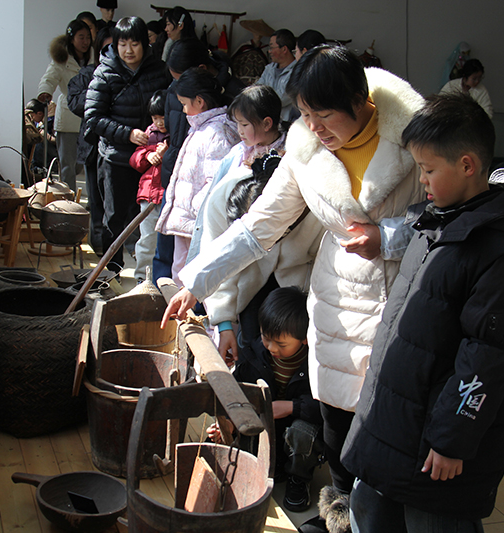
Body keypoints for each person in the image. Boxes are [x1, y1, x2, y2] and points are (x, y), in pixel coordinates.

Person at [162, 46, 426, 530]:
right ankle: (342, 514)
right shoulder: (306, 150)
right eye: (304, 114)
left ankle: (378, 517)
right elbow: (257, 228)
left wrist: (387, 237)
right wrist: (196, 282)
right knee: (337, 421)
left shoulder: (414, 136)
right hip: (336, 297)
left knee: (390, 425)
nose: (314, 127)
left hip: (404, 297)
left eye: (323, 114)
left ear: (361, 101)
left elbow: (441, 217)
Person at [342, 92, 504, 533]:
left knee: (432, 520)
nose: (422, 181)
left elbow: (486, 361)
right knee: (372, 508)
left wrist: (451, 440)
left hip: (438, 443)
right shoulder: (438, 223)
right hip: (400, 419)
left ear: (468, 165)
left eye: (429, 169)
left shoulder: (502, 257)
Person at [187, 86, 321, 364]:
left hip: (299, 290)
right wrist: (223, 322)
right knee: (253, 346)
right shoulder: (222, 197)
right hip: (249, 289)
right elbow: (221, 259)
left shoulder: (306, 197)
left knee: (293, 350)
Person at [207, 286, 324, 513]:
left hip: (297, 425)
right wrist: (227, 423)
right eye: (266, 338)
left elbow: (325, 407)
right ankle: (274, 464)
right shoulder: (254, 353)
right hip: (269, 425)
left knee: (302, 434)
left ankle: (298, 478)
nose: (271, 348)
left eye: (281, 345)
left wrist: (292, 407)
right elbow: (238, 392)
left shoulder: (316, 363)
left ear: (305, 339)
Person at [153, 38, 246, 282]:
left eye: (185, 104)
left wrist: (195, 208)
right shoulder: (202, 127)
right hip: (187, 221)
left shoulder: (218, 133)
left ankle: (190, 320)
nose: (183, 110)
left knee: (190, 277)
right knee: (180, 273)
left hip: (196, 222)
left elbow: (216, 183)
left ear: (200, 102)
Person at [84, 17, 169, 271]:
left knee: (148, 217)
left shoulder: (159, 70)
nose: (128, 50)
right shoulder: (105, 71)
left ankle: (147, 276)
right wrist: (127, 134)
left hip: (152, 160)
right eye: (123, 44)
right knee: (114, 218)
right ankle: (111, 273)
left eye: (134, 44)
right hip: (117, 156)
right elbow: (93, 117)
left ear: (145, 43)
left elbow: (172, 109)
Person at [66, 25, 113, 255]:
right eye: (108, 48)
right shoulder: (88, 74)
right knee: (95, 200)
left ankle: (115, 249)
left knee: (116, 203)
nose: (115, 53)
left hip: (120, 147)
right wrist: (100, 89)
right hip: (94, 146)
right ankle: (99, 249)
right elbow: (74, 102)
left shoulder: (131, 77)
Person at [37, 19, 93, 191]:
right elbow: (49, 78)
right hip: (68, 117)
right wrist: (45, 92)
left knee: (86, 163)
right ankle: (68, 201)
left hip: (89, 115)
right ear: (71, 39)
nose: (85, 42)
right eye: (80, 37)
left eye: (87, 37)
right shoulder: (62, 59)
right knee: (68, 164)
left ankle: (92, 202)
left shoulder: (94, 57)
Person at [129, 91, 169, 282]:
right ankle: (141, 281)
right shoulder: (149, 133)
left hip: (167, 196)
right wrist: (147, 156)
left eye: (163, 117)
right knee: (146, 240)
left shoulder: (176, 137)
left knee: (166, 242)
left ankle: (162, 281)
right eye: (155, 118)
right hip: (148, 195)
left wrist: (167, 153)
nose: (159, 122)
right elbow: (135, 160)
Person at [255, 29, 298, 123]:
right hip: (265, 120)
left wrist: (260, 99)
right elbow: (256, 90)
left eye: (271, 47)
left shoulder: (297, 71)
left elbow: (280, 100)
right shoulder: (269, 68)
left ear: (284, 49)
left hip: (285, 122)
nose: (269, 51)